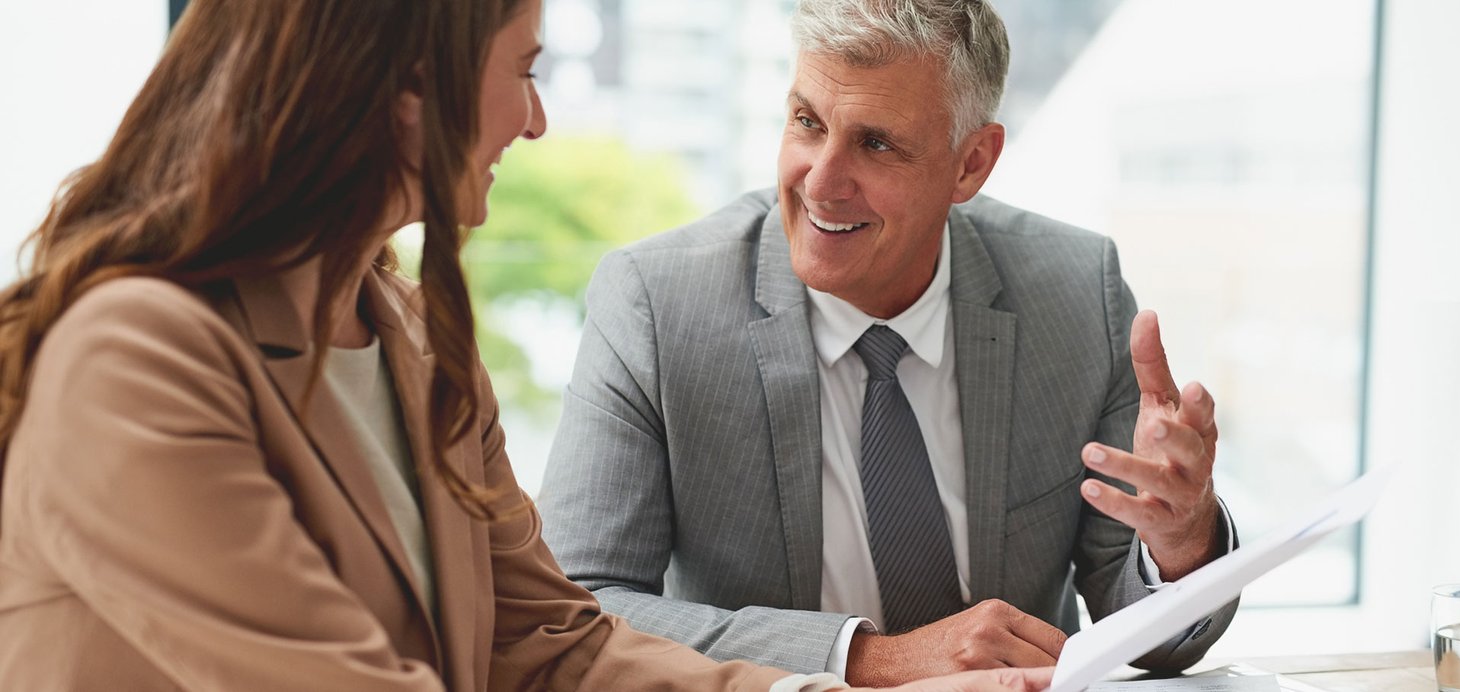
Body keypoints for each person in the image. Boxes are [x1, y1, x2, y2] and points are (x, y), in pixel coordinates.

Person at [0, 1, 1051, 690]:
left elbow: (552, 642)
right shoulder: (133, 354)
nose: (537, 119)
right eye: (525, 69)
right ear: (410, 89)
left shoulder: (407, 336)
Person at [538, 0, 1239, 687]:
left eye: (875, 144)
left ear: (971, 164)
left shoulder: (1075, 292)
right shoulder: (656, 305)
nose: (820, 182)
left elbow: (1145, 629)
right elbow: (576, 611)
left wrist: (1181, 542)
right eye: (807, 122)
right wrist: (869, 660)